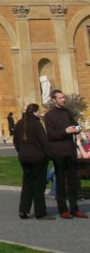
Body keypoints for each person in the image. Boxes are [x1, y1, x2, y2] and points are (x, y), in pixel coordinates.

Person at [44, 89, 86, 218]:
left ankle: (74, 208)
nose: (63, 99)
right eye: (60, 97)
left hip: (70, 150)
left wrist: (77, 129)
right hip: (58, 152)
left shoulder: (68, 112)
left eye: (64, 97)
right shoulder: (49, 115)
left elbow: (76, 125)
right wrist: (65, 131)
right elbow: (51, 135)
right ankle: (63, 209)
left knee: (73, 181)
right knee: (60, 181)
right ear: (54, 99)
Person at [13, 103, 52, 219]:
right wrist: (48, 155)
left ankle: (23, 210)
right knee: (39, 185)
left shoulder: (19, 123)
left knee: (27, 184)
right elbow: (44, 142)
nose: (40, 113)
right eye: (38, 111)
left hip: (24, 158)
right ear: (34, 112)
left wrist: (21, 151)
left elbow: (16, 142)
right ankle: (40, 212)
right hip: (37, 158)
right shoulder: (37, 124)